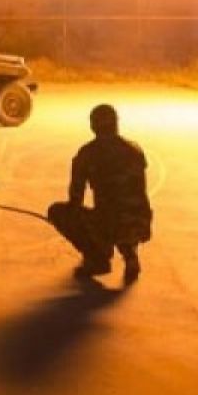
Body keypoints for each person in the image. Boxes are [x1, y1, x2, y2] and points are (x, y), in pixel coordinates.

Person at [47, 104, 152, 284]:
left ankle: (98, 258)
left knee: (59, 212)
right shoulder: (134, 150)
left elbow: (75, 199)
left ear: (93, 126)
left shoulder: (87, 154)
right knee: (126, 210)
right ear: (116, 124)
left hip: (110, 222)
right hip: (140, 221)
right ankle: (130, 253)